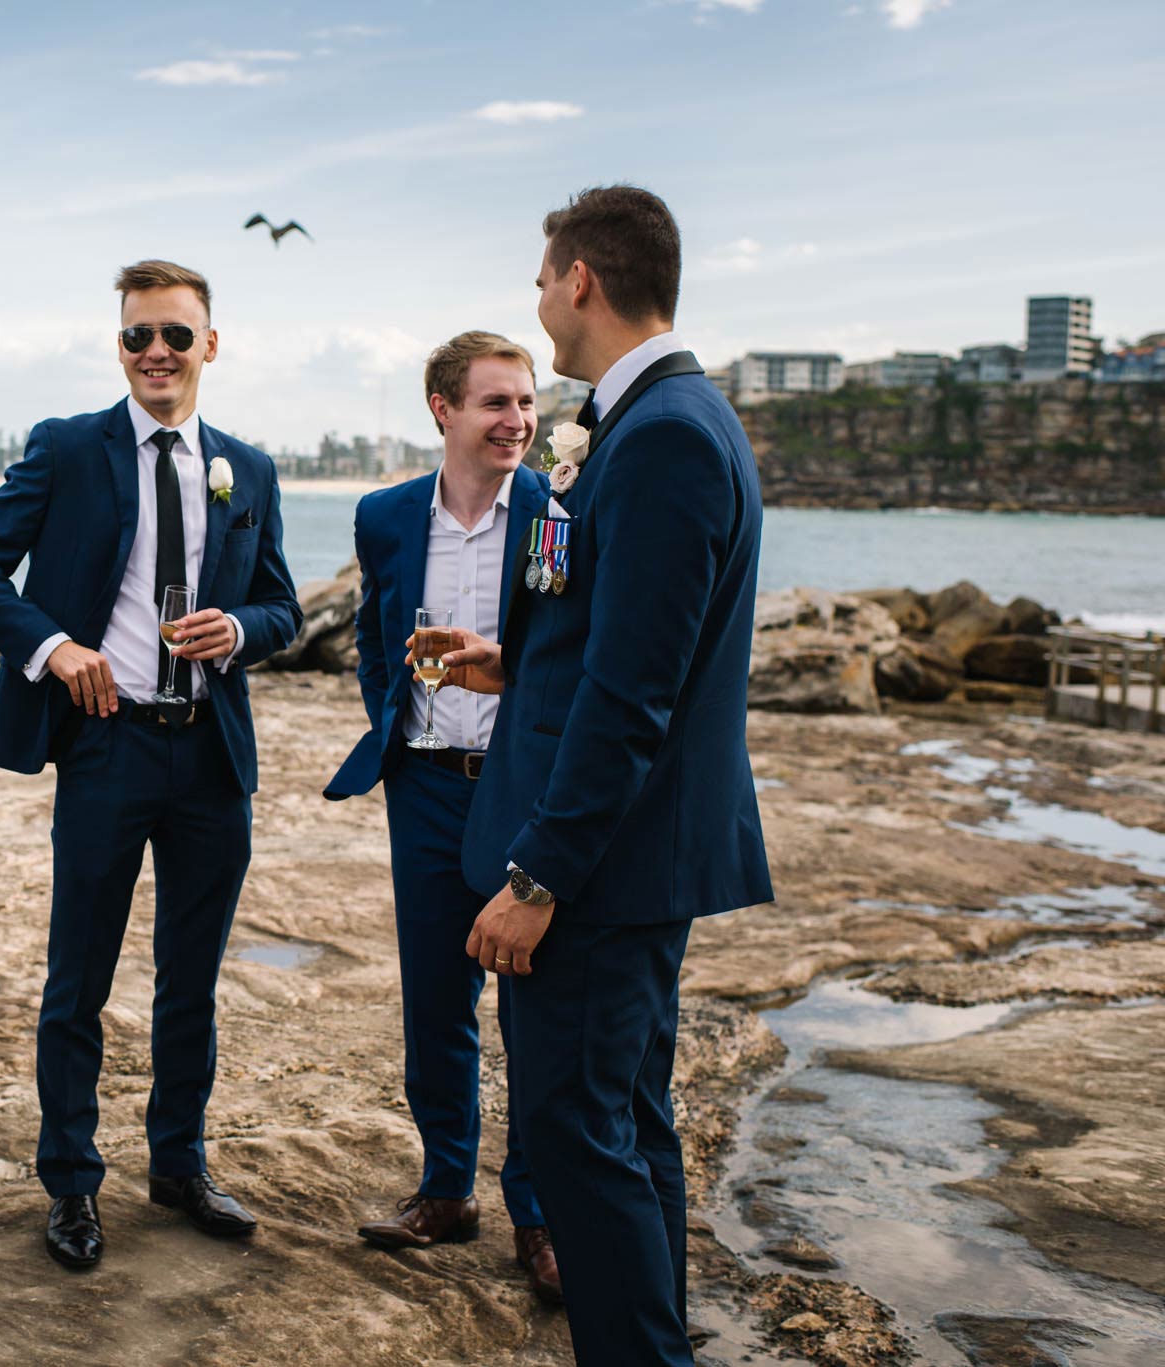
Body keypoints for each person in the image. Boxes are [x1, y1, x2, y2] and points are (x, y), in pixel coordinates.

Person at [442, 185, 773, 1365]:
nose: (536, 302)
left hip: (599, 876)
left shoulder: (670, 436)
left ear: (579, 278)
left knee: (579, 1135)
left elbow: (638, 696)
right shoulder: (646, 421)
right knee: (626, 1123)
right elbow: (611, 641)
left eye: (541, 280)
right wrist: (512, 664)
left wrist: (536, 877)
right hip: (624, 864)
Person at [0, 259, 301, 1270]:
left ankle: (178, 1165)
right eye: (138, 335)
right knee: (78, 980)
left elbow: (284, 607)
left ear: (207, 348)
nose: (155, 352)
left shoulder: (247, 469)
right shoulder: (68, 447)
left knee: (190, 979)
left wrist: (237, 625)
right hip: (105, 745)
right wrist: (52, 647)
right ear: (119, 347)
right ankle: (70, 1181)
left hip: (212, 757)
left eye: (174, 336)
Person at [323, 332, 560, 1301]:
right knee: (435, 1000)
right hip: (421, 779)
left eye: (524, 404)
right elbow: (375, 636)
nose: (515, 422)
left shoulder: (555, 507)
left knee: (533, 1006)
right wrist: (393, 713)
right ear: (441, 409)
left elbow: (568, 643)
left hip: (520, 780)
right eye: (494, 404)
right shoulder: (382, 515)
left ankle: (538, 1215)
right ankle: (444, 1191)